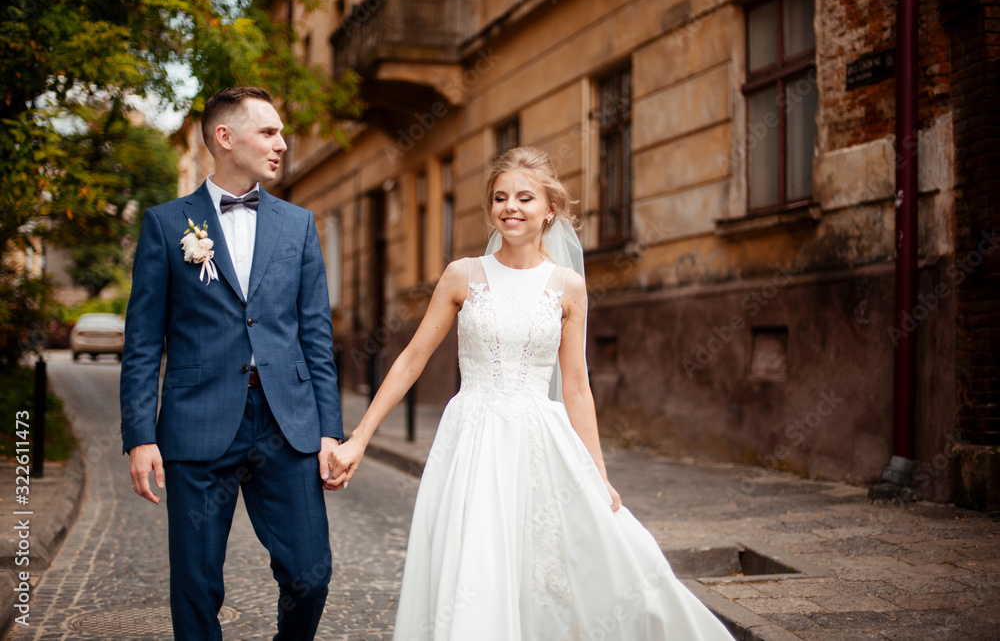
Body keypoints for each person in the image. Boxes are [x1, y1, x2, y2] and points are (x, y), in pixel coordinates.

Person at [328, 147, 735, 639]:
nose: (510, 207)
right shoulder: (463, 275)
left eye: (525, 197)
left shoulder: (567, 286)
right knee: (476, 566)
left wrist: (596, 474)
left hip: (540, 441)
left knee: (557, 563)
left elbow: (577, 386)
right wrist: (359, 438)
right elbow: (412, 358)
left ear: (551, 210)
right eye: (500, 198)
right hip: (472, 442)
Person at [120, 86, 344, 641]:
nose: (283, 145)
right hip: (197, 423)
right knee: (196, 587)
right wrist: (139, 436)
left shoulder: (298, 224)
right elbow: (144, 340)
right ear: (225, 138)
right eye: (268, 132)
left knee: (310, 574)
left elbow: (316, 334)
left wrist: (330, 431)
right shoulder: (167, 224)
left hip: (285, 424)